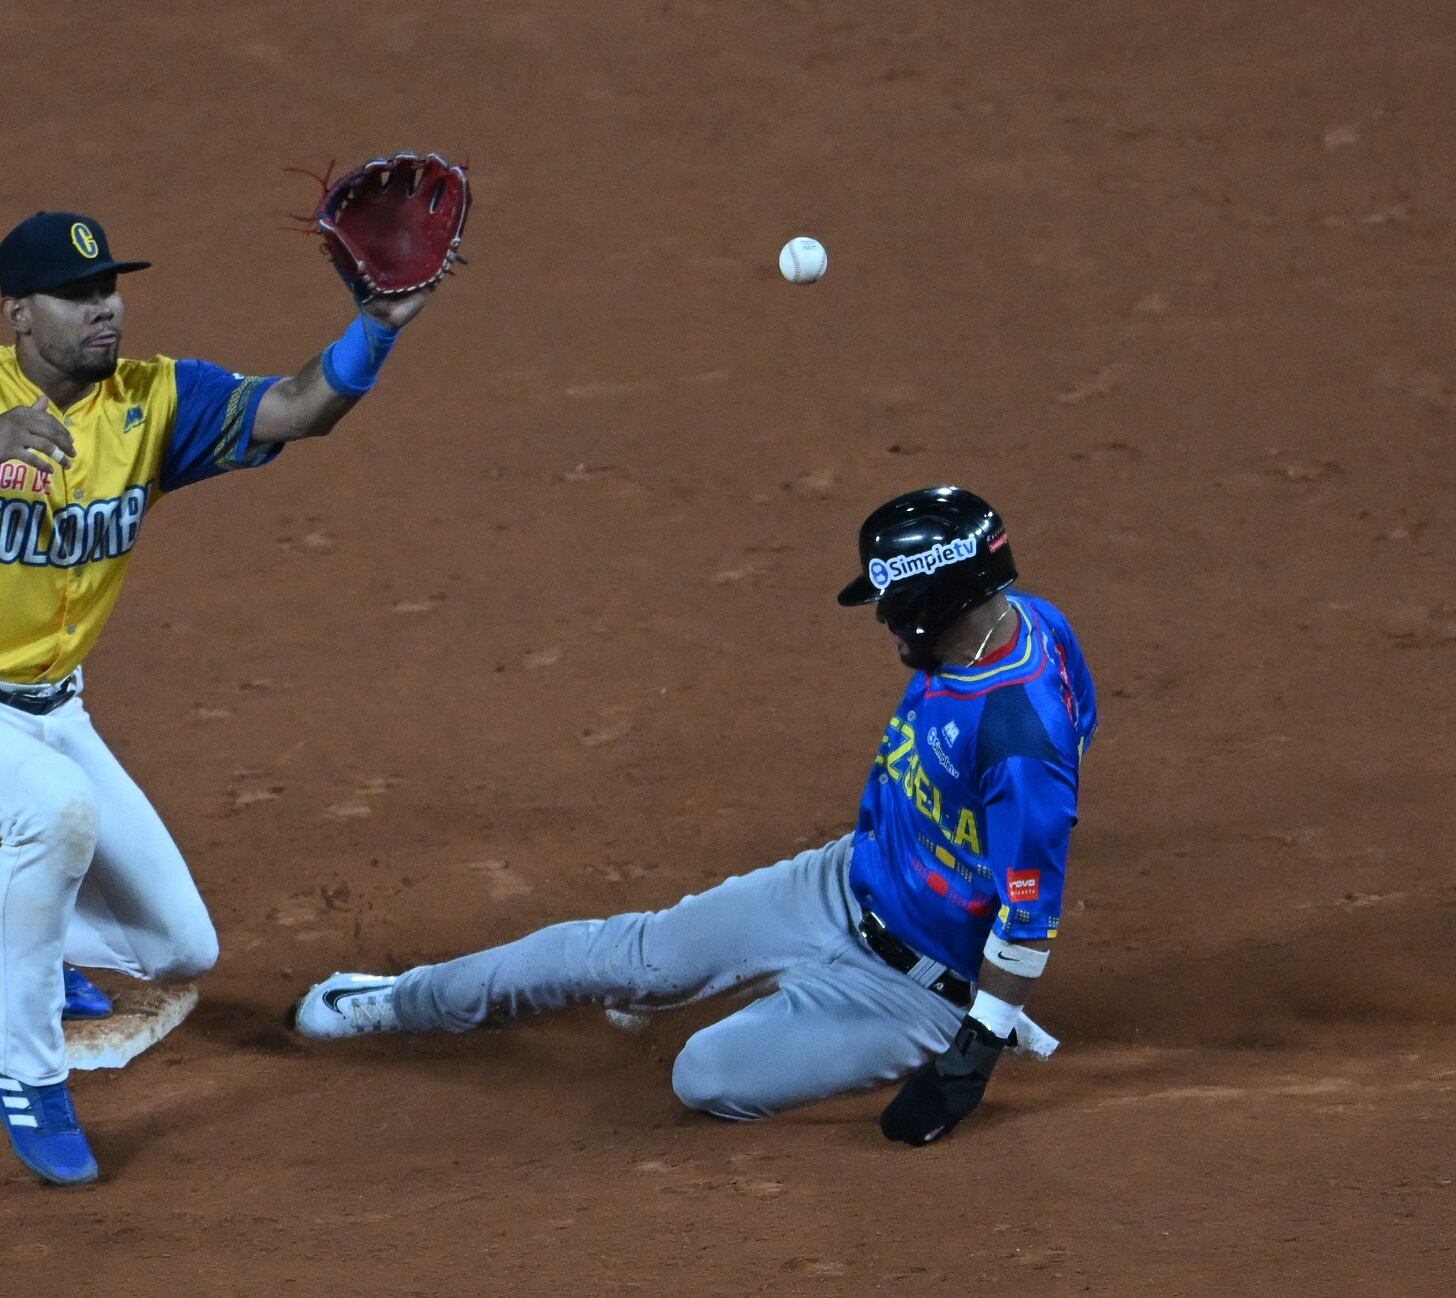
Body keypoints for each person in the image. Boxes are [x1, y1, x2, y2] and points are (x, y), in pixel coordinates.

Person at [0, 210, 444, 1185]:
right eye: (76, 296)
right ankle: (25, 1073)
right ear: (18, 312)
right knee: (54, 811)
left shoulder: (152, 399)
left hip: (51, 712)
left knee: (177, 946)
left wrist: (378, 325)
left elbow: (297, 405)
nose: (101, 308)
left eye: (108, 288)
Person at [291, 486, 1096, 1145]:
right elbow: (1081, 719)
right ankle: (403, 997)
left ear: (929, 602)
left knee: (704, 1077)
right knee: (629, 955)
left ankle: (808, 1016)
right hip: (841, 883)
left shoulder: (1022, 742)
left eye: (888, 602)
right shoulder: (1031, 624)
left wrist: (975, 1052)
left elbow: (1030, 922)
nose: (881, 621)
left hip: (920, 990)